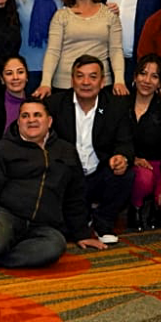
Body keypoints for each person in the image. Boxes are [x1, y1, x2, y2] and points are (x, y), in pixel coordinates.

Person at [0, 98, 107, 267]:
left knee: (54, 249)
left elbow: (74, 195)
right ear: (18, 121)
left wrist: (82, 233)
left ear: (50, 121)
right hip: (6, 215)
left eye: (37, 115)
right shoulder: (1, 148)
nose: (31, 120)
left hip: (44, 224)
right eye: (25, 116)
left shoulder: (66, 151)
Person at [46, 55, 135, 242]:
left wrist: (121, 157)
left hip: (98, 173)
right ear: (72, 80)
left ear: (102, 82)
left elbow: (125, 143)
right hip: (67, 177)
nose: (86, 82)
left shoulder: (114, 107)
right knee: (64, 232)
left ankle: (103, 222)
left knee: (125, 174)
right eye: (80, 76)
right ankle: (80, 219)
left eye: (93, 77)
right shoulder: (55, 105)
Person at [33, 0, 128, 98]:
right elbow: (53, 52)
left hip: (100, 85)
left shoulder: (109, 15)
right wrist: (45, 83)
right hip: (65, 85)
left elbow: (116, 51)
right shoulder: (61, 16)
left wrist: (119, 80)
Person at [126, 53, 161, 231]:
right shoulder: (121, 106)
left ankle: (156, 208)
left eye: (154, 76)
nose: (147, 80)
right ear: (135, 77)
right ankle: (135, 207)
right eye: (143, 73)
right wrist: (132, 158)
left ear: (159, 84)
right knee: (143, 178)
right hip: (133, 164)